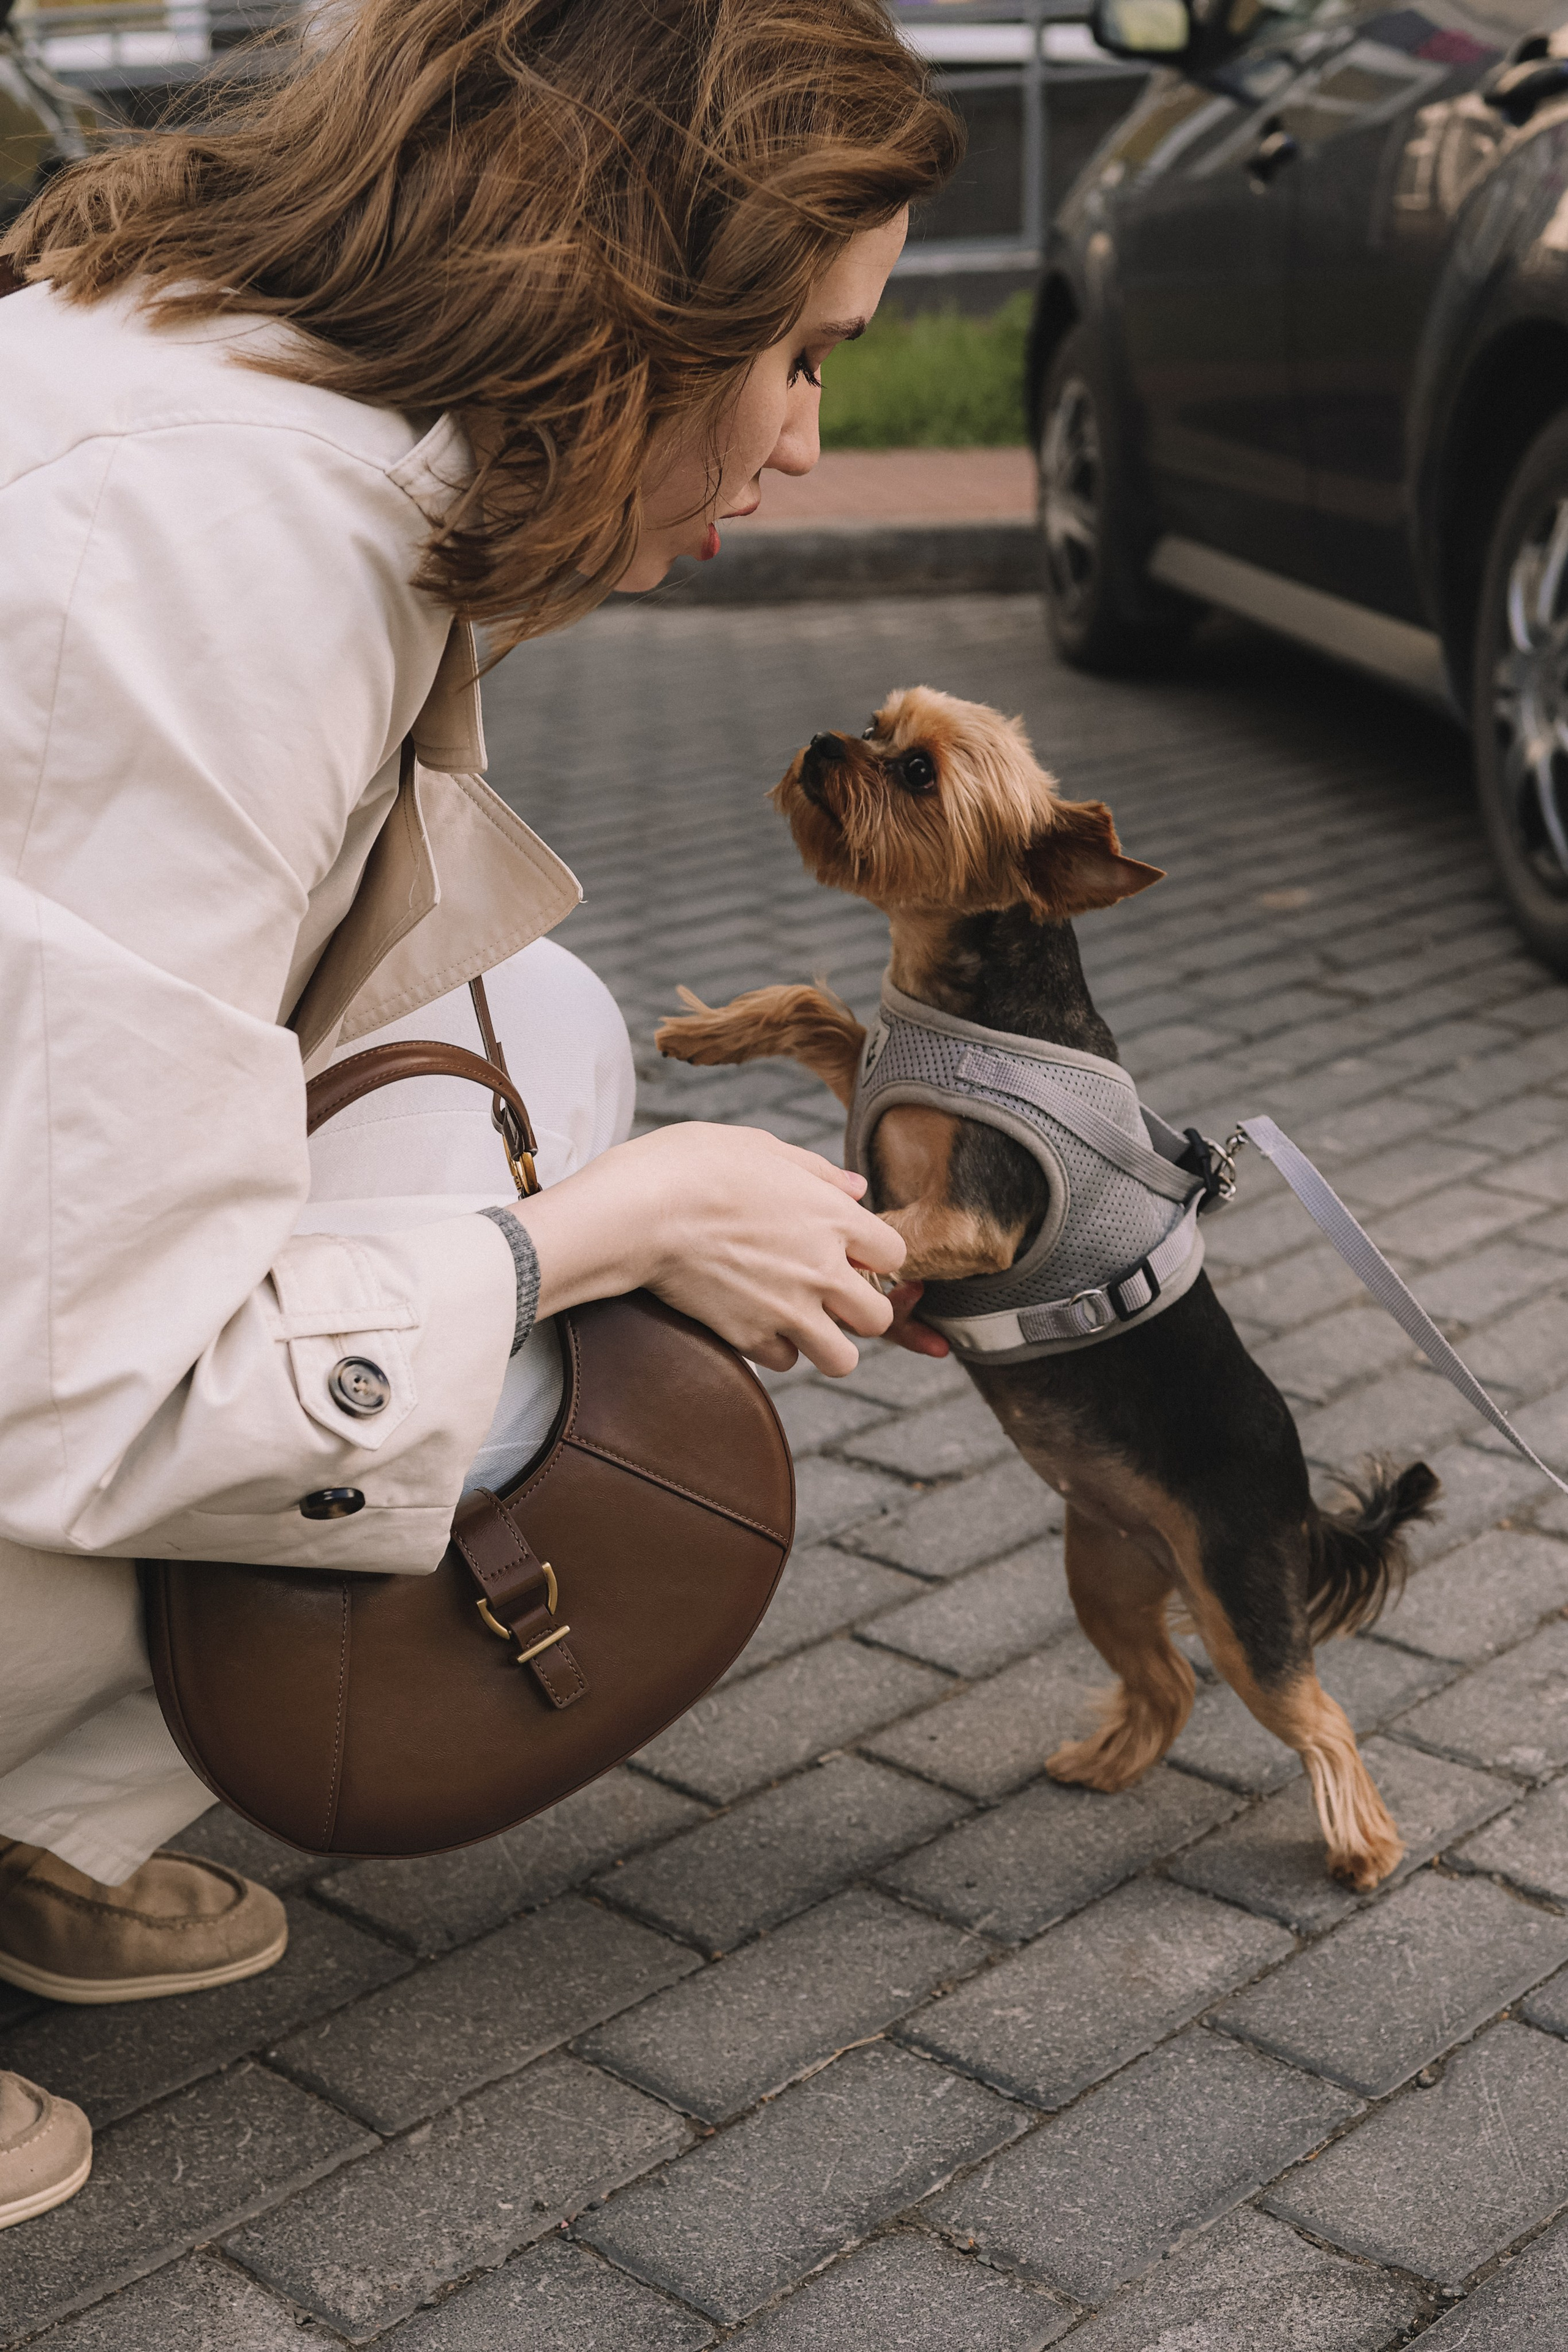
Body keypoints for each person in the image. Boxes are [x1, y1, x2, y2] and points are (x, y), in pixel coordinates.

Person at [0, 0, 959, 2227]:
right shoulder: (203, 569)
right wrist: (604, 1239)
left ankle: (38, 1827)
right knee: (539, 1246)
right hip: (53, 1364)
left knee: (525, 1026)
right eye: (801, 355)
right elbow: (91, 1373)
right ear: (646, 296)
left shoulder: (246, 401)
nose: (807, 441)